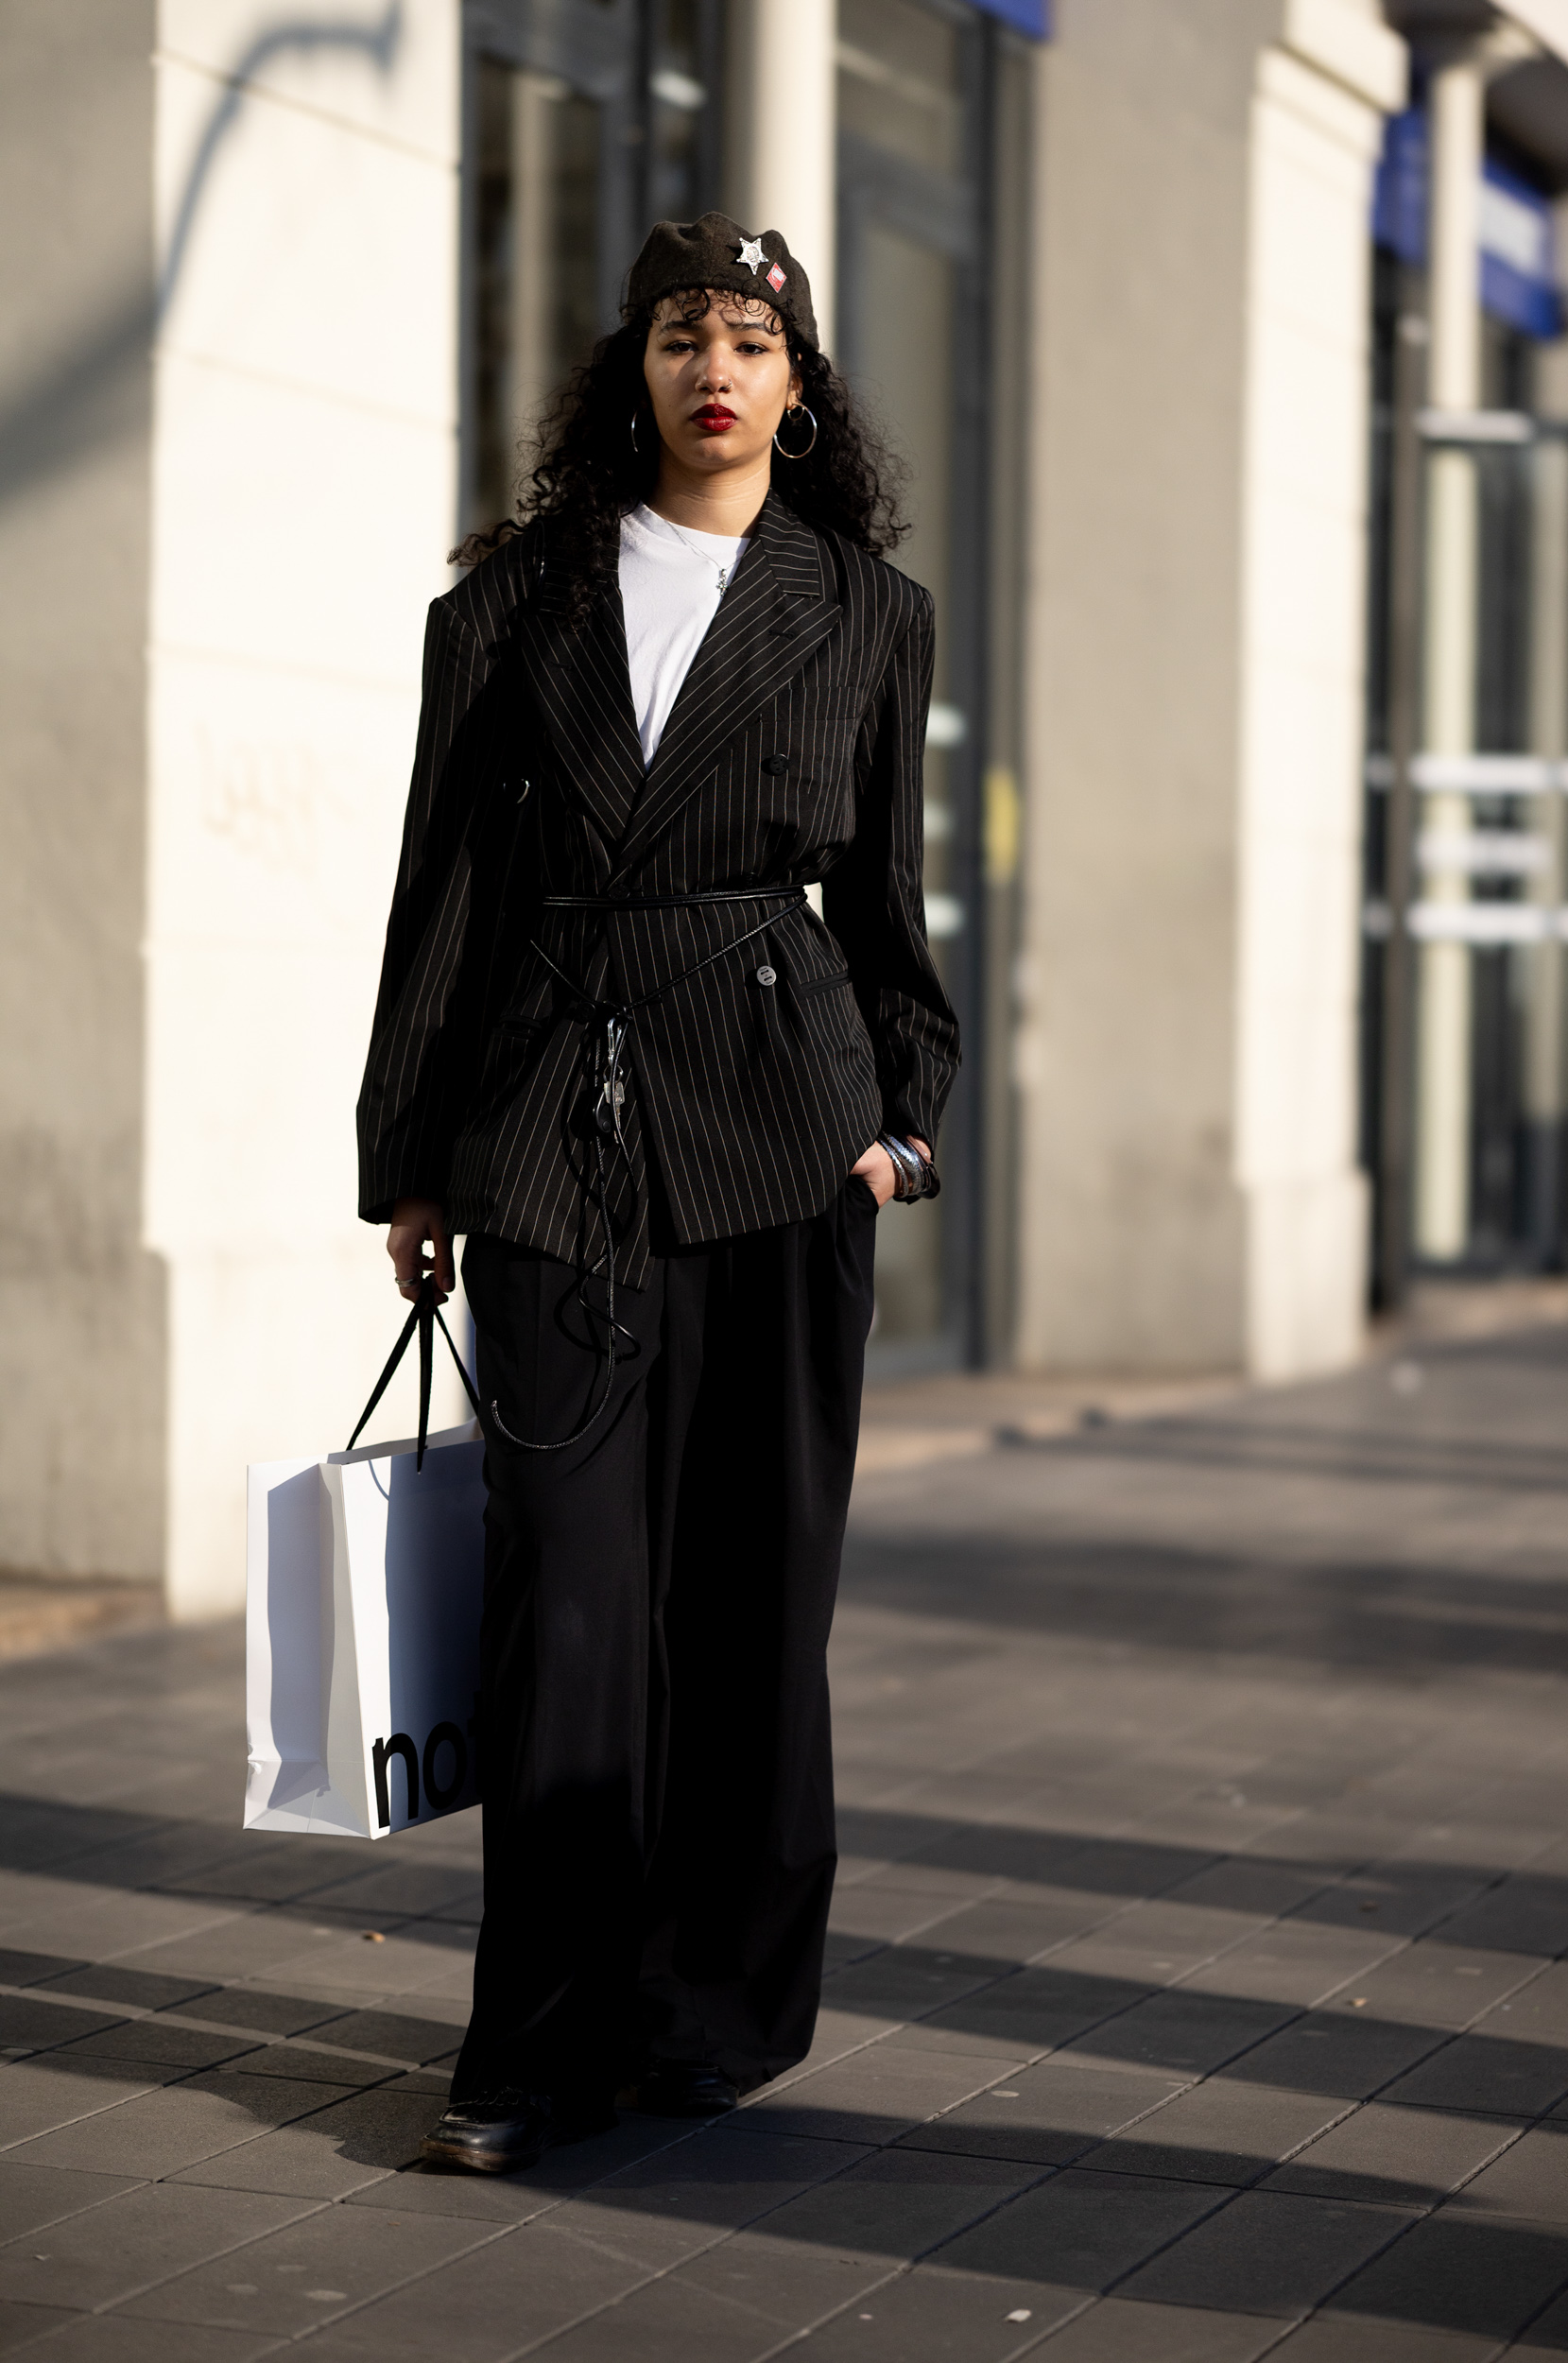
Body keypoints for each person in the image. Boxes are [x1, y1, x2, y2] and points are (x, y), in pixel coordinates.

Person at [356, 212, 959, 2174]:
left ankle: (709, 2008)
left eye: (757, 337)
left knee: (753, 1596)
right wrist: (413, 1154)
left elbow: (886, 909)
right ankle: (533, 2039)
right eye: (686, 331)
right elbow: (441, 886)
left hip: (786, 1130)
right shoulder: (513, 601)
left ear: (801, 388)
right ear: (636, 367)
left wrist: (907, 1119)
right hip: (550, 1122)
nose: (719, 363)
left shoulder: (866, 609)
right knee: (570, 1599)